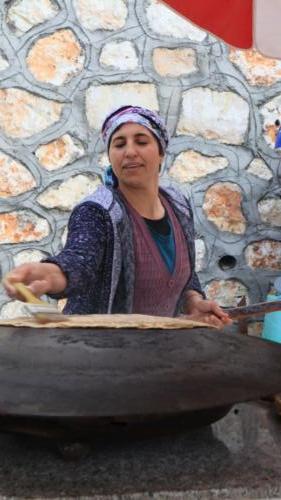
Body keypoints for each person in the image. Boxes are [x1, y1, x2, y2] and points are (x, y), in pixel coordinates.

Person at [4, 105, 231, 328]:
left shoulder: (178, 205)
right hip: (98, 355)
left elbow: (184, 274)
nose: (130, 152)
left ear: (161, 151)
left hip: (160, 356)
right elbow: (80, 260)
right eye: (119, 144)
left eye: (141, 141)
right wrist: (53, 274)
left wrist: (193, 302)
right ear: (110, 156)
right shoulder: (98, 212)